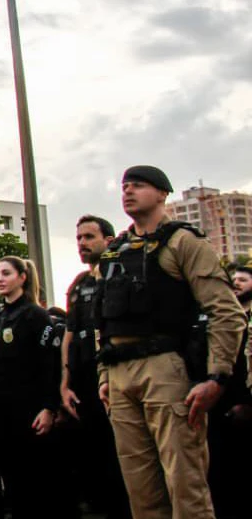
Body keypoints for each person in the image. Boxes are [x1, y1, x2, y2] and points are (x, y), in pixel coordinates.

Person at [96, 166, 245, 519]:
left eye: (139, 185)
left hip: (165, 366)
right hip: (119, 372)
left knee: (185, 486)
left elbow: (227, 312)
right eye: (124, 186)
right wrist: (104, 375)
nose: (128, 191)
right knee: (141, 492)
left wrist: (217, 377)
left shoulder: (183, 242)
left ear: (163, 193)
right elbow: (102, 319)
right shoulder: (115, 251)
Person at [0, 257, 59, 519]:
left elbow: (50, 365)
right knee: (10, 480)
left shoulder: (35, 315)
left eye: (6, 273)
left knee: (34, 481)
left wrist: (49, 407)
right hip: (1, 410)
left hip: (30, 408)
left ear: (22, 277)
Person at [59, 215, 131, 519]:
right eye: (78, 238)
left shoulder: (122, 276)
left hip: (118, 378)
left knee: (124, 459)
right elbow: (69, 335)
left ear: (109, 240)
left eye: (89, 237)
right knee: (94, 458)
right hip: (86, 384)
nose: (82, 244)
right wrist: (64, 382)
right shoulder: (79, 284)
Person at [209, 265, 252, 519]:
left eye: (243, 280)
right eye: (233, 279)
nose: (236, 283)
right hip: (226, 402)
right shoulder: (223, 316)